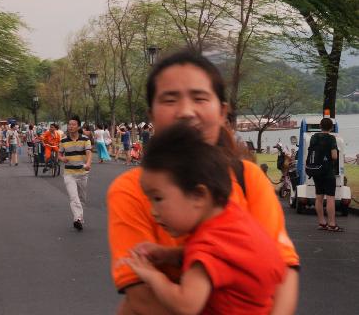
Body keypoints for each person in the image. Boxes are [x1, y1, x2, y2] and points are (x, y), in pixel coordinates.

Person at [107, 50, 299, 315]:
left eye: (199, 98)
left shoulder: (248, 178)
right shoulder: (131, 190)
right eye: (170, 99)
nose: (186, 112)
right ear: (151, 115)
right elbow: (140, 297)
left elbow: (282, 271)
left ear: (222, 113)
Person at [122, 123, 286, 315]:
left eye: (158, 199)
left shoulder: (207, 247)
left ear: (198, 195)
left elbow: (186, 305)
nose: (153, 211)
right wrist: (170, 255)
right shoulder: (234, 220)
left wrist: (152, 276)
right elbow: (227, 259)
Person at [309, 117, 343, 232]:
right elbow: (334, 156)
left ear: (320, 126)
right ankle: (332, 224)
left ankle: (322, 222)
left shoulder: (313, 137)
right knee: (330, 198)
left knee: (319, 196)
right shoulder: (331, 138)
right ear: (331, 127)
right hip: (328, 171)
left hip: (316, 170)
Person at [59, 116, 92, 231]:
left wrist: (88, 163)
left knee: (82, 198)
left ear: (78, 126)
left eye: (73, 124)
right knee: (74, 197)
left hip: (82, 172)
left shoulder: (85, 139)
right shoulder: (63, 140)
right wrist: (62, 159)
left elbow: (89, 153)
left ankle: (79, 217)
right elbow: (60, 154)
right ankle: (77, 219)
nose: (70, 126)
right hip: (69, 173)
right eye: (69, 124)